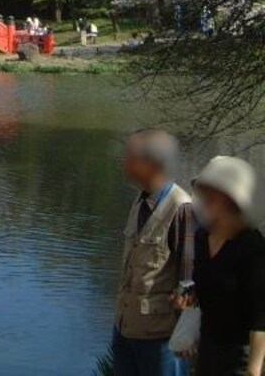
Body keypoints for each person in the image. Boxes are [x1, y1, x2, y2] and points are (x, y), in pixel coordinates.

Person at [113, 129, 194, 376]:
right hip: (126, 330)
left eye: (130, 157)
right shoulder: (140, 202)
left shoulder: (182, 209)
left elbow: (190, 281)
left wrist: (187, 335)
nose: (123, 162)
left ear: (152, 165)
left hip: (160, 341)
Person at [190, 156, 265, 376]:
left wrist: (254, 369)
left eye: (211, 197)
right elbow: (206, 290)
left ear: (230, 200)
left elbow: (261, 316)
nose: (203, 201)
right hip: (207, 352)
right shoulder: (202, 238)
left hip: (240, 358)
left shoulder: (253, 247)